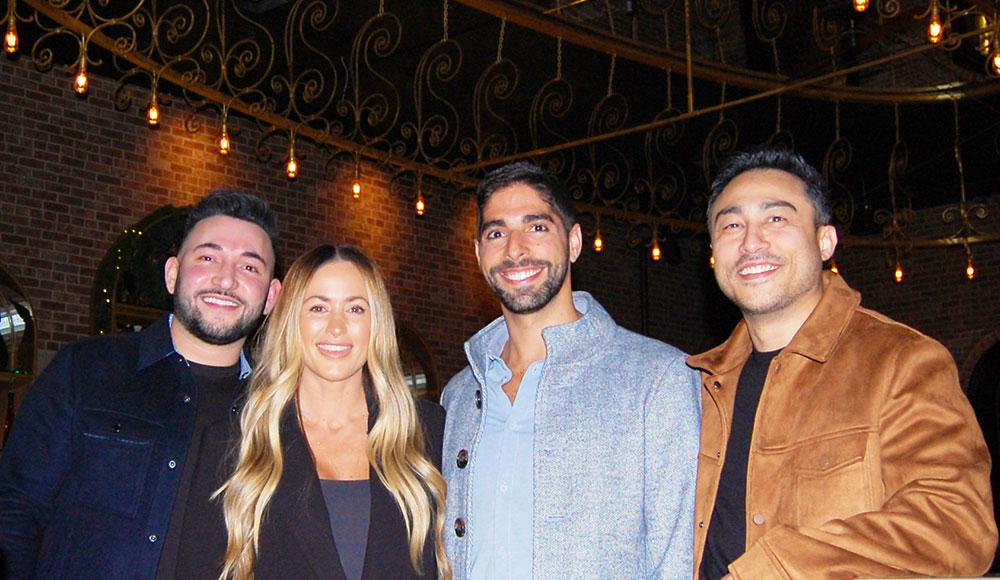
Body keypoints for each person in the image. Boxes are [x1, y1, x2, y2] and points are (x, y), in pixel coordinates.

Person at [690, 146, 997, 580]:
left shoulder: (901, 361)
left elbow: (955, 526)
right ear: (715, 254)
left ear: (825, 241)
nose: (751, 241)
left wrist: (776, 569)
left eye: (776, 219)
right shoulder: (697, 388)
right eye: (732, 224)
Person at [0, 190, 282, 580]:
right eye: (207, 257)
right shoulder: (85, 369)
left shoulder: (277, 412)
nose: (226, 279)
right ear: (172, 274)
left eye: (249, 267)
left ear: (270, 296)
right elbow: (14, 510)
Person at [441, 161, 701, 580]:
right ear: (477, 253)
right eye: (496, 232)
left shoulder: (657, 380)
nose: (515, 249)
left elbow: (679, 561)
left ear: (574, 241)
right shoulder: (459, 397)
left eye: (537, 227)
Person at [173, 243, 450, 580]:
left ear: (376, 324)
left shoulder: (430, 433)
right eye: (318, 308)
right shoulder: (233, 442)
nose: (337, 327)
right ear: (292, 321)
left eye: (356, 309)